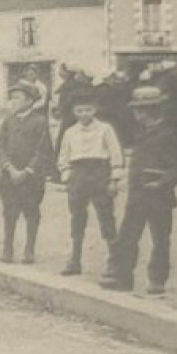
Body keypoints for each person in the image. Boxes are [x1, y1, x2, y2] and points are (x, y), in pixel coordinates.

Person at [99, 86, 177, 295]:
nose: (135, 115)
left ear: (149, 111)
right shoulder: (142, 133)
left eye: (138, 111)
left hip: (159, 197)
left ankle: (157, 280)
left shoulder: (167, 135)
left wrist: (162, 182)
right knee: (127, 237)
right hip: (137, 196)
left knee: (160, 240)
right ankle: (123, 278)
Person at [55, 88, 124, 277]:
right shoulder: (70, 132)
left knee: (106, 217)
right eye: (79, 111)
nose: (84, 114)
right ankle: (74, 260)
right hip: (78, 175)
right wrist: (67, 176)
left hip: (99, 173)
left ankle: (114, 261)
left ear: (95, 110)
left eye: (88, 110)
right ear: (74, 112)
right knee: (77, 218)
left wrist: (114, 179)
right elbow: (63, 156)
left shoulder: (105, 129)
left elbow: (116, 154)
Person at [0, 82, 54, 265]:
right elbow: (0, 145)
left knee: (31, 211)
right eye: (11, 98)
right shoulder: (8, 121)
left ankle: (29, 249)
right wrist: (8, 167)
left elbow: (42, 150)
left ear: (30, 101)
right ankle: (8, 248)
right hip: (8, 175)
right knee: (9, 211)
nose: (13, 102)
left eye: (17, 98)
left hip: (32, 177)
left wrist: (28, 170)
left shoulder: (40, 122)